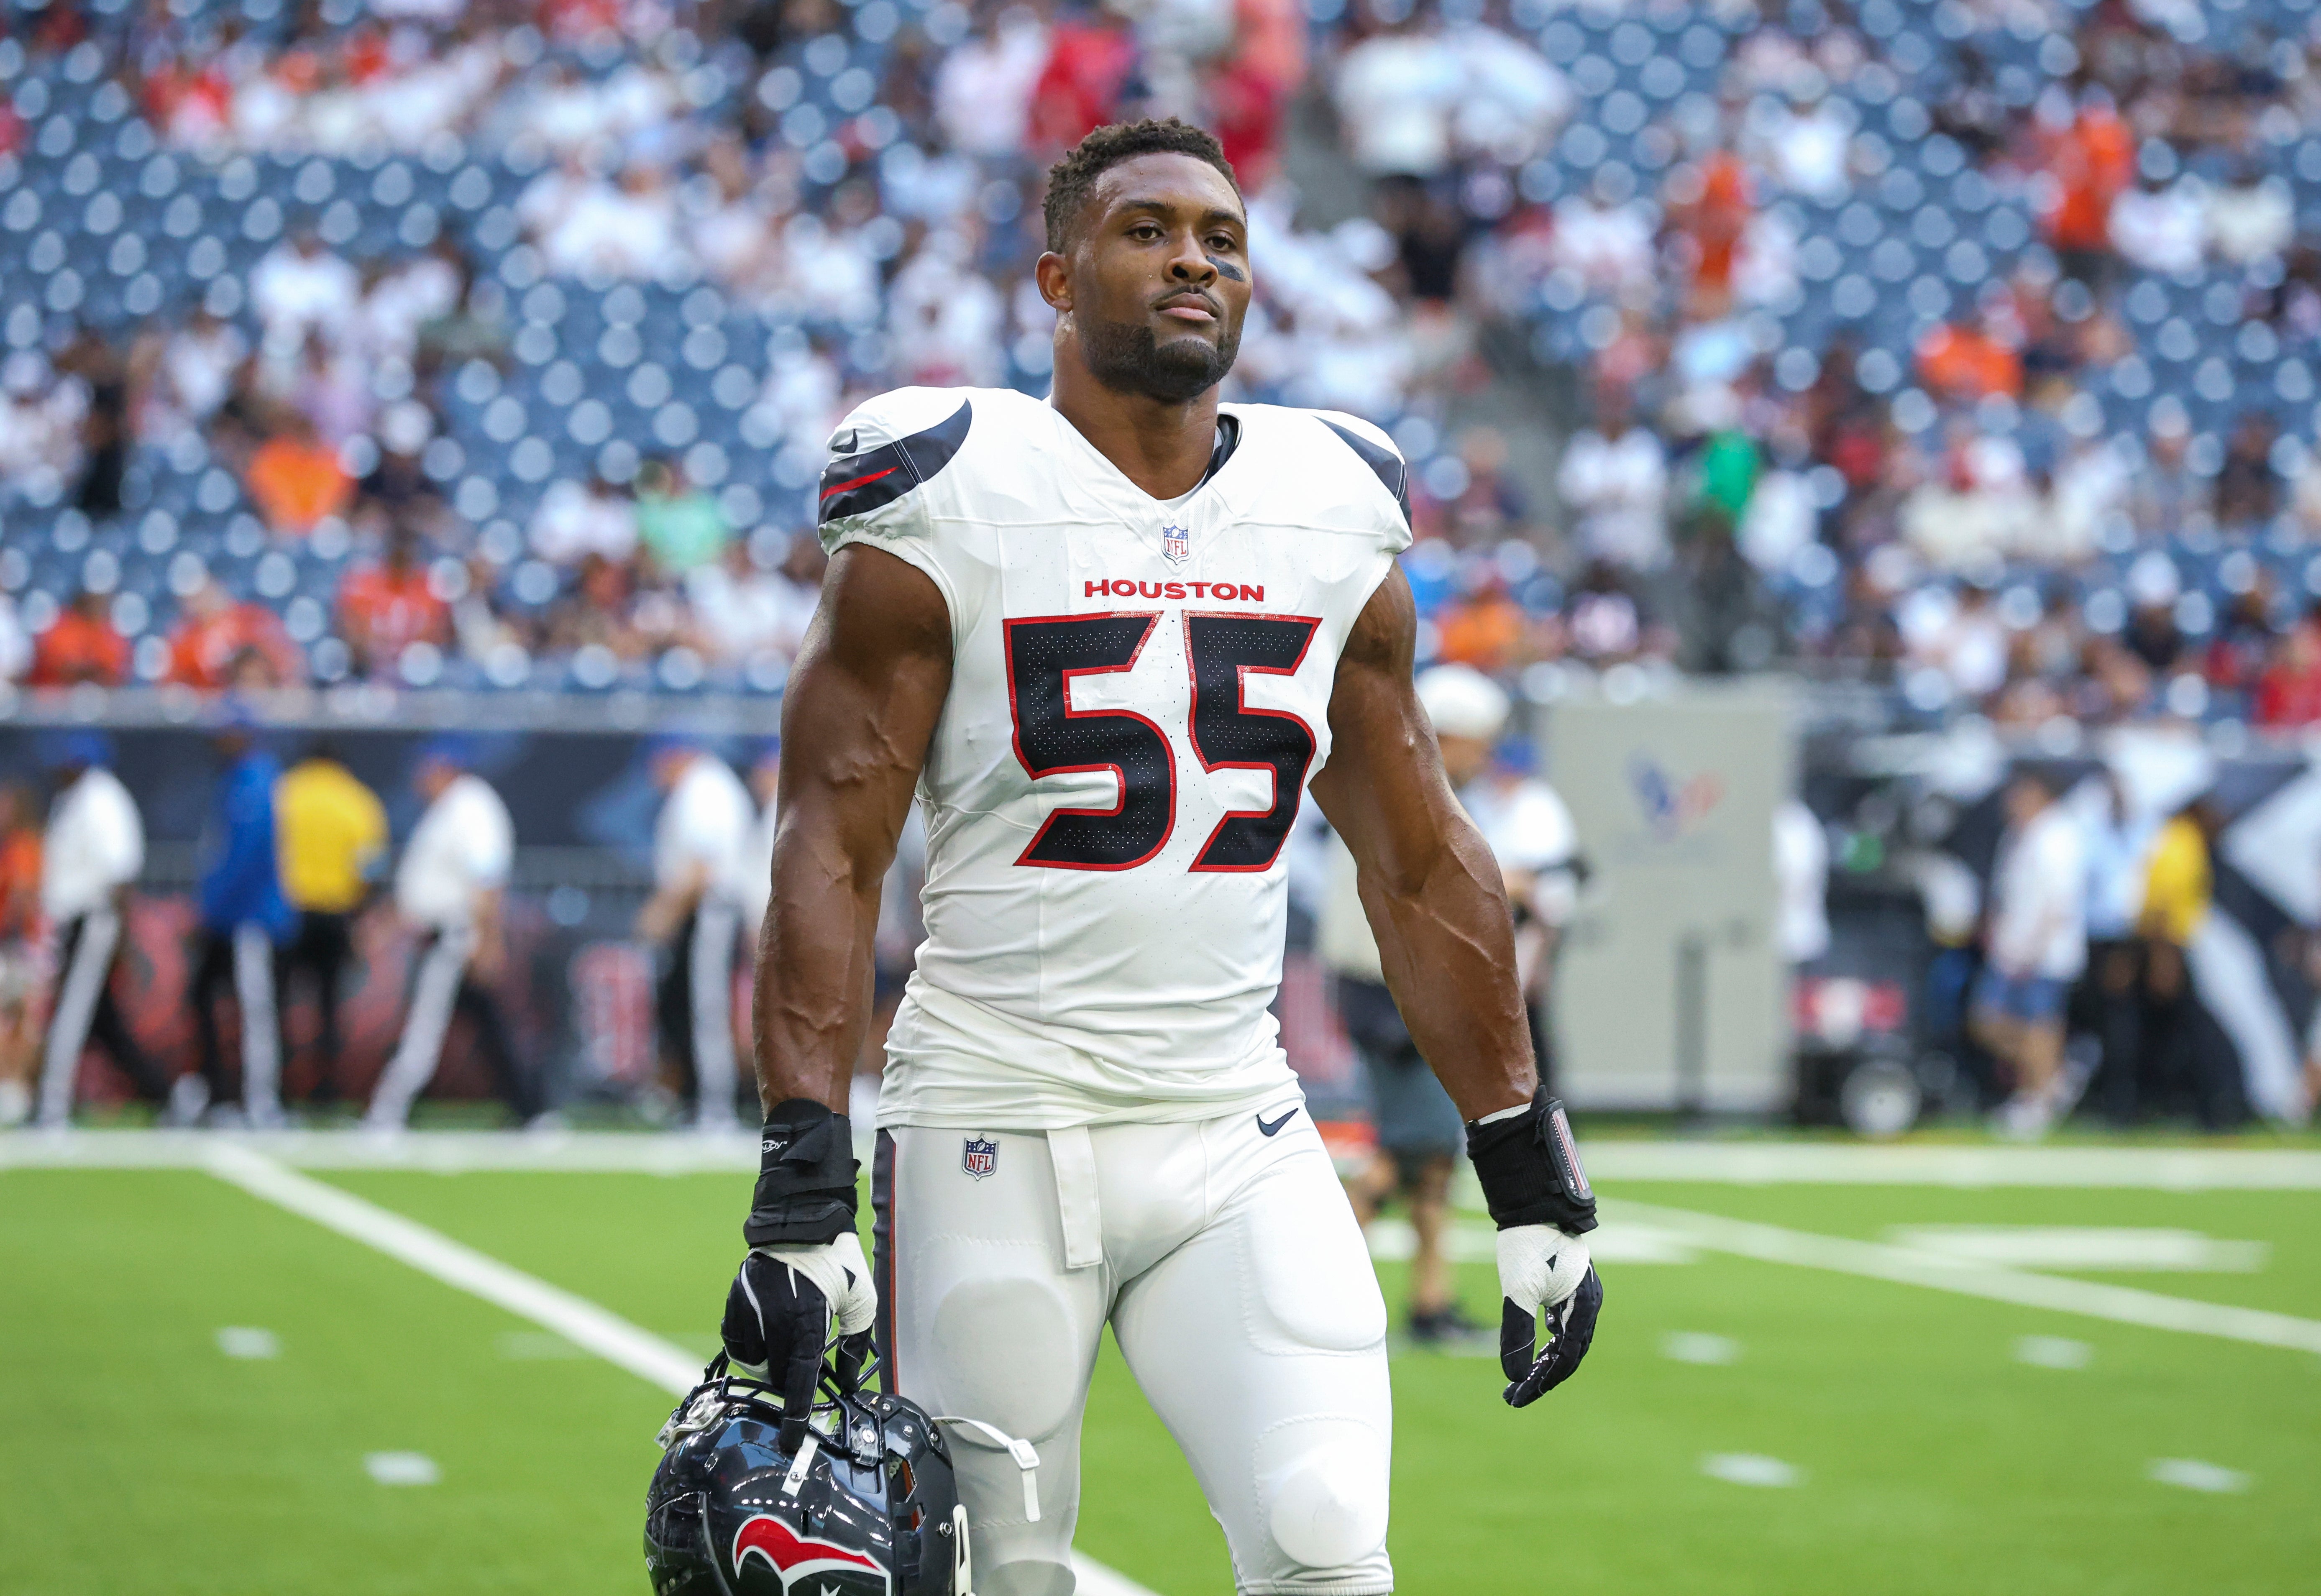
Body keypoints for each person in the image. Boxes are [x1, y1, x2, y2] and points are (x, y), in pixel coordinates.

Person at [715, 120, 1599, 1596]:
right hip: (993, 1114)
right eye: (1147, 231)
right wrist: (800, 1170)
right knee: (1000, 1567)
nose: (1194, 260)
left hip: (1230, 1117)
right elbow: (831, 841)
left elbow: (1418, 858)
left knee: (1326, 1533)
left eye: (1221, 238)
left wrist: (1520, 1153)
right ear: (1057, 279)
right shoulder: (948, 483)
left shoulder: (1328, 501)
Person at [364, 743, 540, 1131]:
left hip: (455, 938)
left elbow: (488, 877)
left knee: (424, 1028)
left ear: (445, 768)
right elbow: (425, 882)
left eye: (424, 770)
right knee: (488, 1025)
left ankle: (389, 1110)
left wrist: (488, 940)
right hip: (444, 935)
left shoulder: (471, 806)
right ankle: (530, 1108)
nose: (418, 780)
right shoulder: (449, 808)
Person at [33, 734, 171, 1126]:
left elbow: (120, 873)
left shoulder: (102, 800)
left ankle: (52, 1104)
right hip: (76, 921)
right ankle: (168, 1095)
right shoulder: (72, 800)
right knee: (104, 1023)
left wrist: (121, 940)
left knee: (71, 1012)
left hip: (96, 919)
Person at [637, 737, 754, 1130]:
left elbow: (701, 868)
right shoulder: (704, 786)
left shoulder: (704, 788)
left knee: (707, 1008)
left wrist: (661, 914)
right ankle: (693, 1098)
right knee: (683, 1005)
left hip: (711, 912)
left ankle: (715, 1106)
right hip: (702, 913)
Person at [184, 714, 294, 1127]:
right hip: (234, 917)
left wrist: (209, 908)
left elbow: (243, 858)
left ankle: (260, 1103)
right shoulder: (237, 780)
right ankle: (218, 1094)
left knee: (255, 1010)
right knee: (208, 1000)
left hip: (251, 918)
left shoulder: (255, 782)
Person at [1971, 770, 2089, 1138]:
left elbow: (2058, 901)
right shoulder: (2017, 834)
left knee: (2040, 1028)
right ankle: (2056, 1076)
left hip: (2042, 954)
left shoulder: (2058, 835)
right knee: (1987, 1023)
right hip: (2010, 949)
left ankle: (2039, 1099)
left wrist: (2032, 948)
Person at [274, 740, 387, 1107]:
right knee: (329, 1009)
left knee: (277, 1006)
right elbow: (371, 867)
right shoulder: (358, 800)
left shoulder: (286, 792)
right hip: (337, 916)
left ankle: (278, 1089)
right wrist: (363, 915)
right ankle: (326, 1091)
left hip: (288, 914)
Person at [0, 780, 46, 1125]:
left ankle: (18, 1089)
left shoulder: (25, 847)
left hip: (19, 945)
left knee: (23, 1021)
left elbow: (24, 896)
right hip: (12, 944)